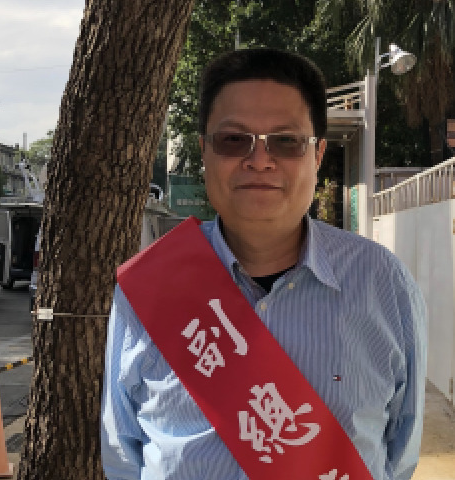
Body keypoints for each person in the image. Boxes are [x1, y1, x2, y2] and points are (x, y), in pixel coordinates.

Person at [101, 48, 427, 480]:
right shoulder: (151, 285)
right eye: (234, 140)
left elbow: (399, 454)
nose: (259, 160)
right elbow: (122, 454)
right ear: (204, 151)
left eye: (285, 141)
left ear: (318, 154)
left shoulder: (384, 284)